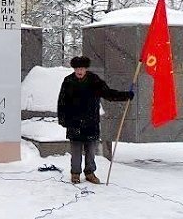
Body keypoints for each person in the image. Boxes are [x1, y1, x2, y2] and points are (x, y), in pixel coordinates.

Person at [57, 56, 133, 184]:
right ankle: (75, 174)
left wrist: (126, 96)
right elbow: (62, 102)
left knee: (91, 151)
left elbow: (108, 94)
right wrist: (63, 119)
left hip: (91, 122)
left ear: (86, 69)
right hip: (74, 123)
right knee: (75, 151)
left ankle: (90, 173)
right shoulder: (68, 81)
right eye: (77, 69)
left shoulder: (94, 80)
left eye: (81, 69)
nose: (79, 72)